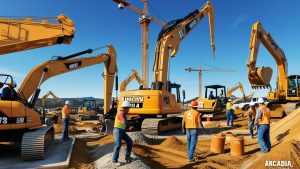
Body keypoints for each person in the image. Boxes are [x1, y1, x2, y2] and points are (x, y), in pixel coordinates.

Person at [112, 101, 133, 166]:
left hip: (121, 131)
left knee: (129, 142)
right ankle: (114, 161)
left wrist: (127, 127)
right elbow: (124, 122)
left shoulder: (123, 113)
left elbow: (124, 123)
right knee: (118, 145)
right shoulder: (121, 113)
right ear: (125, 108)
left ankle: (127, 156)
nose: (129, 110)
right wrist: (129, 126)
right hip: (118, 131)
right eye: (128, 108)